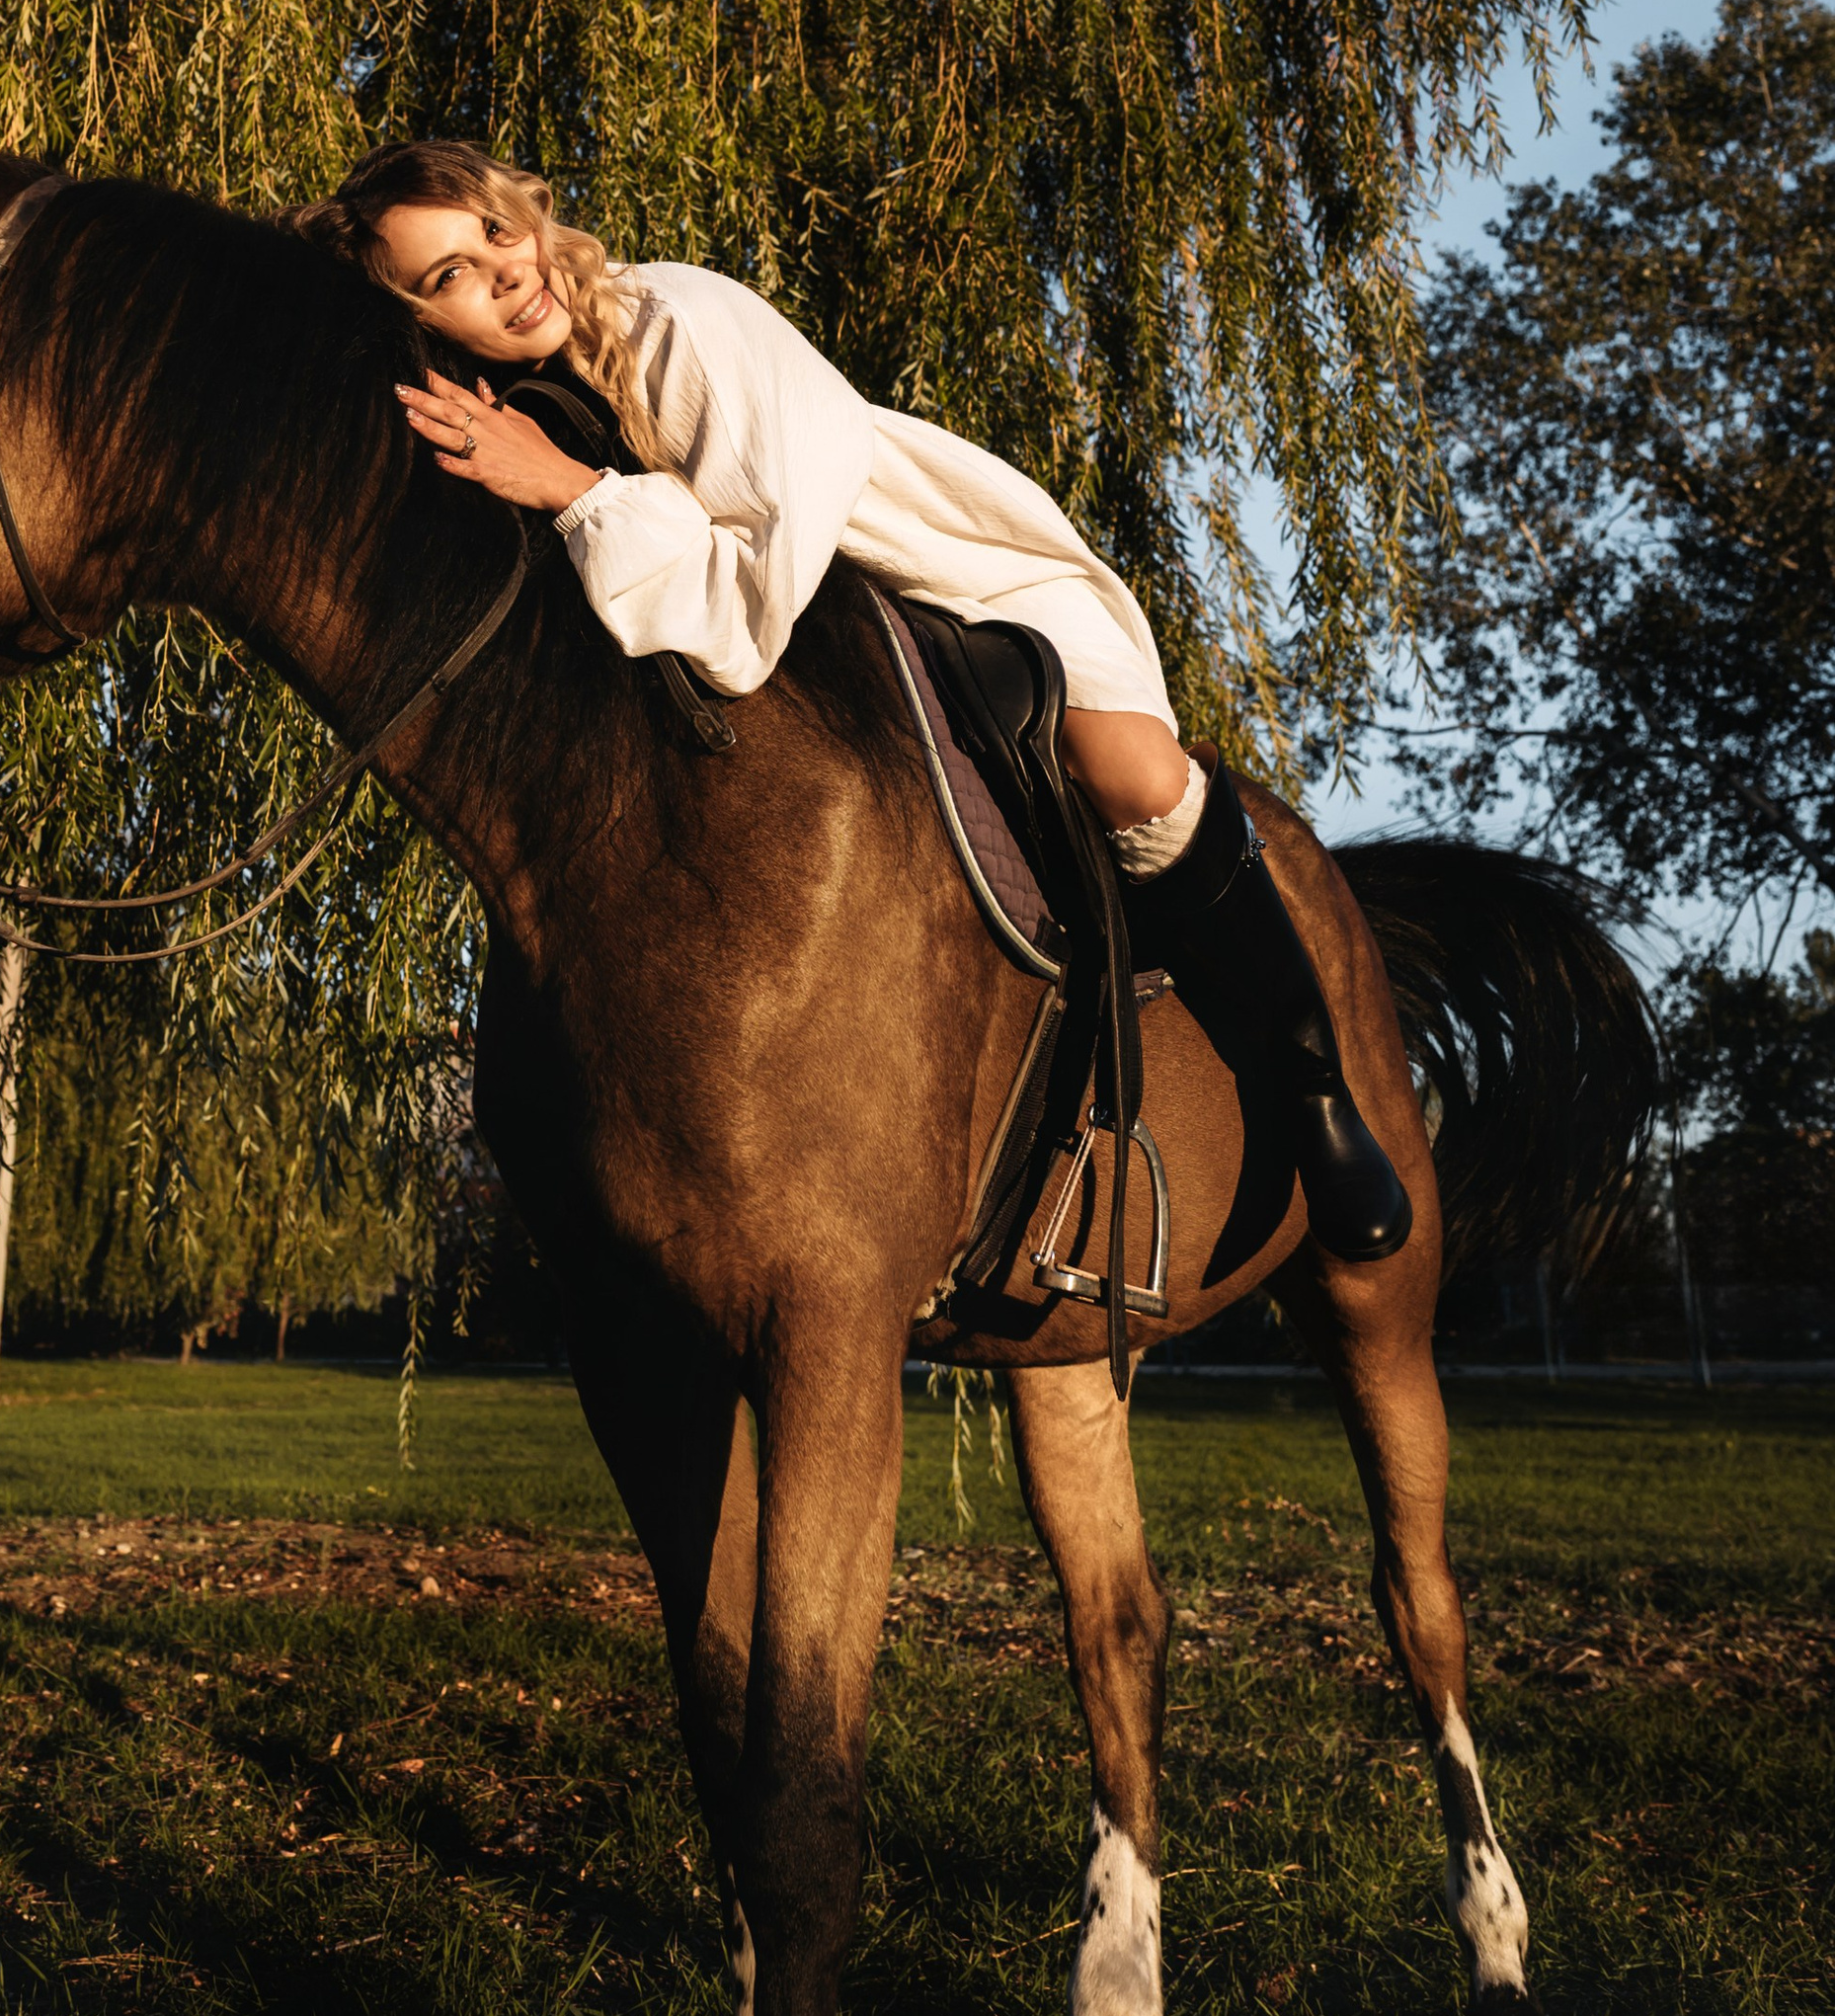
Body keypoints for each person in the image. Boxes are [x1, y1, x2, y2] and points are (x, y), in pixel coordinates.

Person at [292, 138, 1410, 1261]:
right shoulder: (521, 397)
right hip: (803, 601)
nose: (501, 272)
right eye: (447, 277)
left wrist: (572, 488)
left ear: (528, 212)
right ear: (423, 320)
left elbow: (747, 598)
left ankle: (1313, 1080)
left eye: (494, 232)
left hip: (910, 556)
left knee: (1130, 764)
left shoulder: (667, 323)